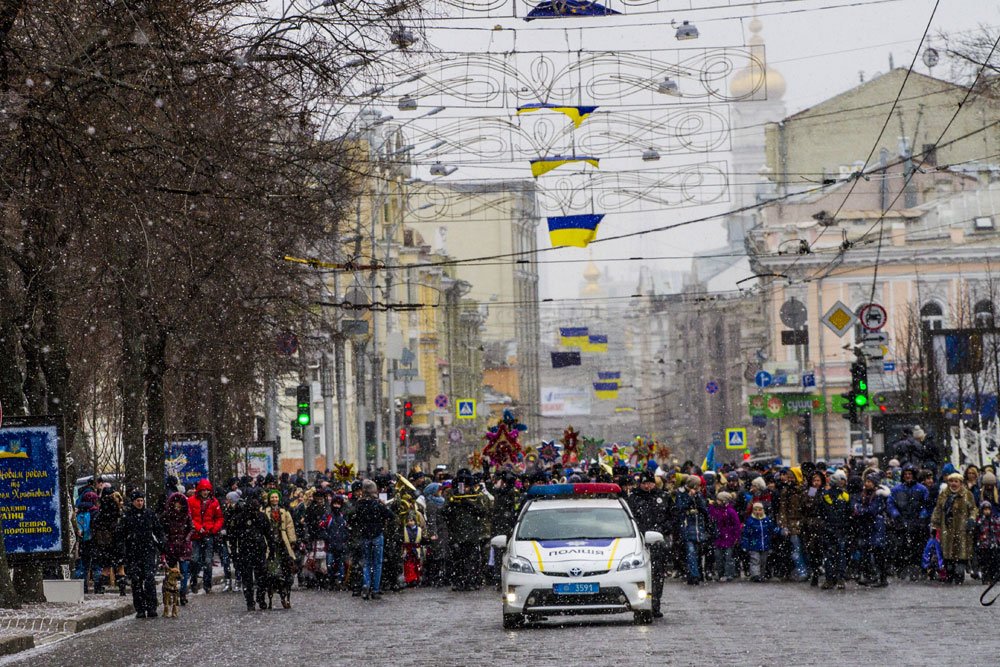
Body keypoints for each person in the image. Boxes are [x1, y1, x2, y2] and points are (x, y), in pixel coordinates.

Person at [115, 490, 164, 618]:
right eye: (138, 501)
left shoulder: (149, 514)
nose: (140, 503)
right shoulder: (127, 516)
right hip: (133, 552)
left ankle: (152, 607)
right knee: (136, 581)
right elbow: (120, 534)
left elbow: (158, 530)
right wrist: (122, 549)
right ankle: (140, 609)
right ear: (133, 501)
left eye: (142, 500)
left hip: (148, 550)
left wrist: (161, 543)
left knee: (149, 579)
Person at [626, 471, 669, 614]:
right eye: (644, 483)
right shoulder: (634, 498)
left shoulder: (663, 496)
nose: (647, 486)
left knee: (657, 574)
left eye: (649, 483)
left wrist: (664, 529)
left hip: (658, 541)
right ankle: (641, 604)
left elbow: (672, 516)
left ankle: (655, 604)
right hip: (639, 542)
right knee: (641, 574)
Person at [931, 472, 977, 584]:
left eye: (956, 481)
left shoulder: (967, 495)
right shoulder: (943, 495)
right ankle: (949, 574)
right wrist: (934, 525)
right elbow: (937, 510)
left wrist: (972, 519)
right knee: (948, 557)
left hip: (962, 530)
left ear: (960, 483)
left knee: (960, 558)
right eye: (951, 481)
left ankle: (959, 576)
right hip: (946, 529)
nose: (953, 484)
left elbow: (973, 509)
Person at [887, 464, 930, 580]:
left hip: (917, 523)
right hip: (901, 522)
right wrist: (896, 515)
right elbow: (891, 504)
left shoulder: (922, 489)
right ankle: (902, 567)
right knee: (901, 547)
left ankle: (916, 568)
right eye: (905, 474)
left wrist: (922, 516)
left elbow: (926, 505)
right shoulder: (896, 490)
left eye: (910, 474)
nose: (907, 476)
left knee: (918, 547)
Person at [354, 479, 394, 600]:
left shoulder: (359, 504)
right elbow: (391, 516)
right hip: (377, 535)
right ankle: (375, 590)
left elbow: (353, 518)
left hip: (365, 535)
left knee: (366, 563)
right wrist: (383, 506)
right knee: (377, 564)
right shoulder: (377, 504)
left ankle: (366, 585)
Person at [853, 473, 890, 587]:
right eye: (866, 481)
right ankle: (871, 576)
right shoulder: (865, 494)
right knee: (867, 552)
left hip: (876, 526)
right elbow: (859, 507)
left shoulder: (878, 495)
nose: (867, 483)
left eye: (869, 481)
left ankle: (882, 578)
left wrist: (861, 510)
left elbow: (871, 510)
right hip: (867, 526)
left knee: (878, 552)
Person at [187, 478, 224, 594]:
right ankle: (193, 580)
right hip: (196, 535)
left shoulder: (214, 502)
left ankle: (207, 585)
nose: (205, 492)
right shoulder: (192, 501)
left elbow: (219, 518)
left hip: (209, 534)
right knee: (194, 559)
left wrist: (214, 528)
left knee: (208, 561)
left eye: (207, 490)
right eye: (203, 490)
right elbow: (190, 517)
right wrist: (198, 527)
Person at [263, 489, 297, 608]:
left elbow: (290, 526)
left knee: (286, 570)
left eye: (276, 497)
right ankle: (272, 590)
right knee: (272, 572)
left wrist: (292, 541)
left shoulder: (284, 512)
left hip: (282, 543)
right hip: (270, 543)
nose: (274, 500)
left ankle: (284, 595)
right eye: (272, 497)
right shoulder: (265, 511)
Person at [674, 474, 710, 586]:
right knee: (690, 552)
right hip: (687, 526)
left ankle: (697, 574)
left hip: (698, 527)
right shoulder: (680, 493)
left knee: (698, 553)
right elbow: (680, 508)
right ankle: (693, 575)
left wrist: (698, 498)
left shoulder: (699, 494)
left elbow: (704, 509)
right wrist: (689, 497)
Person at [819, 472, 852, 590]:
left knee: (829, 555)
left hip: (829, 528)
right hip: (841, 529)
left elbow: (820, 512)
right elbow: (850, 513)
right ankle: (840, 579)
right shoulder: (846, 496)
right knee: (840, 554)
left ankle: (829, 579)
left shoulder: (824, 495)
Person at [161, 492, 194, 606]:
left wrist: (187, 538)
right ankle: (170, 592)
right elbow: (163, 530)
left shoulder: (186, 516)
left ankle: (183, 594)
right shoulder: (166, 516)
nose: (178, 507)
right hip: (171, 547)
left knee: (184, 571)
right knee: (171, 572)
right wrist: (166, 540)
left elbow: (191, 528)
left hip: (183, 546)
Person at [92, 489, 127, 596]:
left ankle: (99, 588)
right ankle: (122, 590)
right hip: (117, 543)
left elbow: (95, 526)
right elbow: (121, 527)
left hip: (105, 544)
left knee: (105, 568)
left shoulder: (100, 512)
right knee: (120, 568)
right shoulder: (116, 511)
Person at [741, 502, 779, 582]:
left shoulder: (766, 520)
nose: (757, 512)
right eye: (755, 510)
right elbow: (746, 533)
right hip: (754, 543)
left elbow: (772, 529)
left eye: (760, 510)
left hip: (765, 543)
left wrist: (779, 531)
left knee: (763, 560)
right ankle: (755, 575)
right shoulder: (750, 521)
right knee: (755, 560)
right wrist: (745, 544)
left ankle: (761, 575)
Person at [709, 491, 742, 582]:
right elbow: (712, 516)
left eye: (719, 500)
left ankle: (728, 574)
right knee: (719, 557)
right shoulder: (719, 510)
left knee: (728, 558)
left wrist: (736, 537)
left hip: (728, 538)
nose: (717, 501)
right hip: (720, 537)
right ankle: (721, 574)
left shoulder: (731, 511)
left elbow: (736, 525)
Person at [976, 500, 1000, 585]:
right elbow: (977, 533)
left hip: (993, 544)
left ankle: (993, 577)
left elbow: (997, 531)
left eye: (988, 509)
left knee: (994, 562)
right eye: (985, 509)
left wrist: (997, 541)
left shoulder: (994, 520)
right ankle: (985, 578)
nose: (987, 511)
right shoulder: (980, 521)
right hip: (984, 545)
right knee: (985, 563)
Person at [402, 514, 423, 587]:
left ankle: (415, 579)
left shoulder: (419, 529)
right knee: (408, 566)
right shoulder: (404, 529)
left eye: (411, 520)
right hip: (408, 550)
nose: (410, 522)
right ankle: (410, 580)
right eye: (408, 521)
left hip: (416, 550)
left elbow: (422, 539)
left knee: (416, 565)